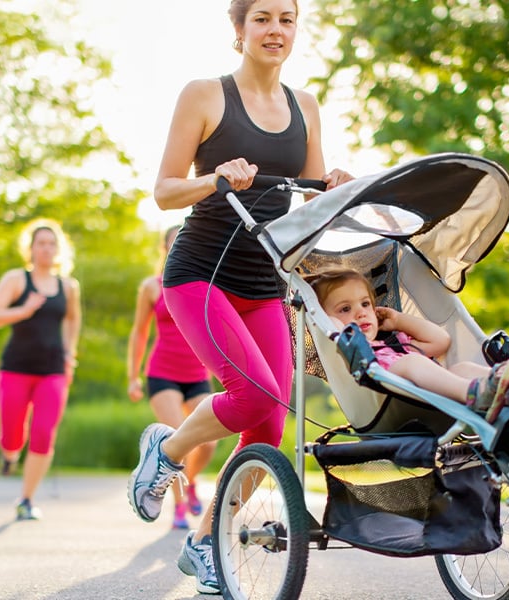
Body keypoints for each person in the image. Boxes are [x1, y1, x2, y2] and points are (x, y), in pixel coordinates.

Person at [125, 0, 353, 594]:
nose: (276, 29)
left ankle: (205, 544)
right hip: (200, 274)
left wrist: (332, 190)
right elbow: (165, 191)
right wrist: (216, 178)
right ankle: (167, 451)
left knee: (269, 423)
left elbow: (310, 208)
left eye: (287, 18)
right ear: (239, 30)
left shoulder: (306, 107)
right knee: (252, 396)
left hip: (264, 284)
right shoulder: (204, 95)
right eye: (263, 18)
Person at [304, 267, 509, 421]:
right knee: (413, 361)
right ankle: (476, 394)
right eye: (345, 308)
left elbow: (441, 341)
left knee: (461, 368)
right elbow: (332, 329)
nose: (360, 313)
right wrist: (329, 319)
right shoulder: (355, 352)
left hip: (439, 396)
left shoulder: (397, 345)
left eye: (365, 304)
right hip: (390, 403)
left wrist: (399, 320)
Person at [0, 218, 81, 521]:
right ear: (31, 248)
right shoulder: (17, 279)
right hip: (16, 367)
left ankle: (26, 499)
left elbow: (72, 320)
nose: (47, 249)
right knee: (12, 434)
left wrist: (69, 353)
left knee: (42, 433)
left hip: (53, 370)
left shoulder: (68, 286)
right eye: (41, 243)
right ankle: (9, 454)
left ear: (59, 249)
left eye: (52, 244)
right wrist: (23, 311)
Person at [126, 225, 218, 530]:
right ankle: (178, 507)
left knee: (208, 441)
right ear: (165, 248)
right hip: (162, 373)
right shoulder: (152, 287)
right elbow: (139, 333)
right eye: (174, 241)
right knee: (177, 435)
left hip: (196, 374)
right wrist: (132, 376)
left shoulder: (206, 283)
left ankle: (189, 482)